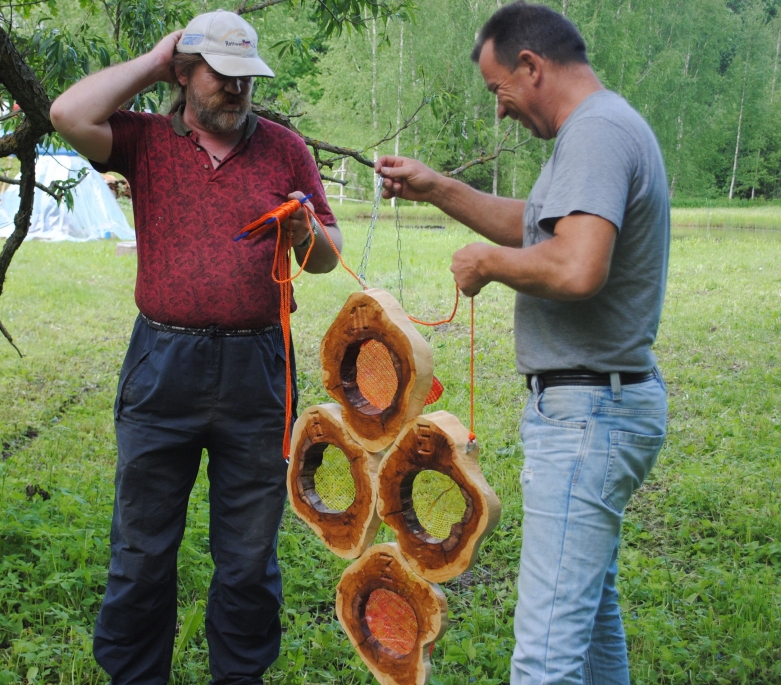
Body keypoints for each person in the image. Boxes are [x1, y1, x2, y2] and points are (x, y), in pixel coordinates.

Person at [375, 3, 669, 684]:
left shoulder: (595, 134)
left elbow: (574, 263)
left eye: (497, 90)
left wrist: (487, 265)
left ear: (532, 67)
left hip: (588, 417)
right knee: (591, 626)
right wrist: (438, 188)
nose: (499, 111)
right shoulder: (599, 129)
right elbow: (540, 227)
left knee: (544, 657)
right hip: (601, 407)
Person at [50, 9, 341, 685]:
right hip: (163, 368)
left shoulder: (284, 148)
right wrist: (152, 62)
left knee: (247, 557)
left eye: (247, 77)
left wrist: (303, 232)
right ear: (185, 75)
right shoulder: (144, 140)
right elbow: (67, 113)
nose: (237, 90)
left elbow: (327, 257)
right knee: (142, 552)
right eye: (222, 75)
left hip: (259, 371)